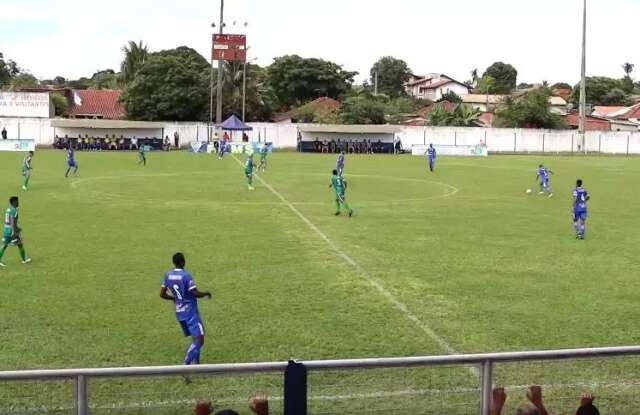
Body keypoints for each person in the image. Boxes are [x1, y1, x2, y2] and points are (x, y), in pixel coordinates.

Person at [160, 253, 212, 368]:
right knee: (200, 339)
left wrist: (174, 298)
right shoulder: (186, 276)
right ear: (183, 262)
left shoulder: (167, 276)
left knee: (195, 338)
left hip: (179, 313)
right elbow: (195, 293)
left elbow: (162, 294)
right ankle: (186, 365)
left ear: (174, 263)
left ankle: (196, 365)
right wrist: (205, 293)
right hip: (190, 313)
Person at [0, 196, 31, 267]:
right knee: (20, 244)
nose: (18, 203)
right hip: (12, 230)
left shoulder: (8, 209)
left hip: (6, 229)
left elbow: (8, 221)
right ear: (14, 202)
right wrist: (14, 231)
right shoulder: (14, 211)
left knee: (4, 245)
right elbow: (12, 221)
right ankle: (24, 260)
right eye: (17, 201)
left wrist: (17, 228)